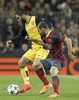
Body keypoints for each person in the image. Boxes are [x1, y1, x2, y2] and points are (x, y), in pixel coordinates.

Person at [7, 8, 53, 93]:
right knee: (21, 63)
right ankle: (27, 84)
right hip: (34, 48)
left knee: (35, 65)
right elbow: (21, 35)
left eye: (18, 18)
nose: (18, 20)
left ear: (22, 15)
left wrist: (48, 36)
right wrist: (12, 41)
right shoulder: (26, 24)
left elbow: (50, 23)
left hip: (42, 47)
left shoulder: (36, 19)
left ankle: (46, 83)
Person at [25, 21, 76, 97]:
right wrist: (32, 39)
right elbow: (42, 42)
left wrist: (69, 54)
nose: (39, 32)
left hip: (59, 60)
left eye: (39, 30)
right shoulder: (46, 37)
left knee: (53, 71)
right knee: (35, 65)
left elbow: (68, 40)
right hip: (52, 59)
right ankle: (46, 84)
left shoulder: (54, 35)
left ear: (43, 29)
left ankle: (56, 93)